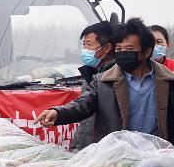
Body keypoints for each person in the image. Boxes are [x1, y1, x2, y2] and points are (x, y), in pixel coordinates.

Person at [36, 18, 174, 143]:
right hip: (117, 158)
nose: (122, 53)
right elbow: (82, 105)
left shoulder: (169, 81)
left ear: (146, 52)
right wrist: (58, 113)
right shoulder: (102, 82)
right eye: (119, 49)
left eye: (129, 49)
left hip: (159, 157)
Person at [71, 21, 116, 151]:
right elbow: (85, 120)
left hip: (104, 153)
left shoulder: (114, 79)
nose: (85, 50)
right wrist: (76, 147)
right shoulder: (90, 75)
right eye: (83, 45)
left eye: (89, 45)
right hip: (86, 150)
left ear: (107, 48)